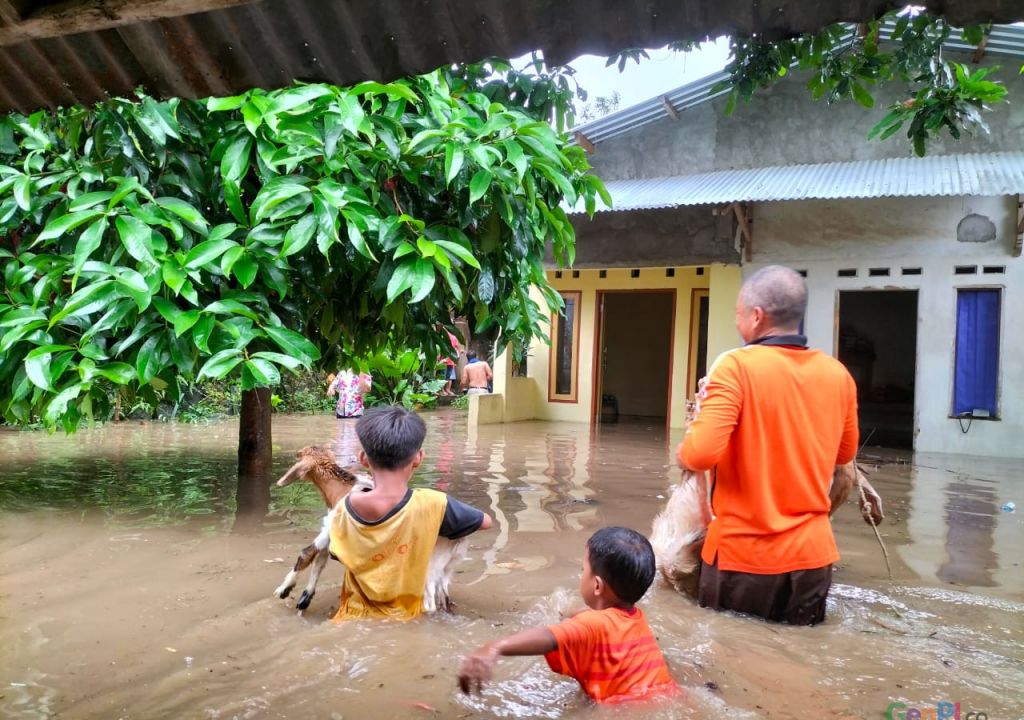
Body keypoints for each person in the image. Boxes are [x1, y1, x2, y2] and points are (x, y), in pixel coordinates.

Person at [677, 265, 859, 626]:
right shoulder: (838, 375)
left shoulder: (734, 367)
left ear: (757, 316)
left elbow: (699, 455)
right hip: (812, 562)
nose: (737, 323)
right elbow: (844, 456)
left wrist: (692, 429)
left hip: (743, 560)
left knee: (727, 670)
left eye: (738, 314)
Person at [457, 527, 677, 704]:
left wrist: (496, 648)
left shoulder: (592, 624)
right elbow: (598, 624)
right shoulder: (637, 619)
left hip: (619, 711)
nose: (582, 576)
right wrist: (573, 613)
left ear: (597, 585)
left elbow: (550, 637)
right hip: (663, 700)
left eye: (584, 570)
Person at [329, 406, 493, 621]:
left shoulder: (345, 506)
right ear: (418, 458)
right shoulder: (433, 504)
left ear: (363, 458)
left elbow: (336, 552)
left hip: (350, 617)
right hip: (408, 618)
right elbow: (485, 522)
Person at [441, 330, 461, 396]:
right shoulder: (442, 337)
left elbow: (456, 348)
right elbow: (457, 349)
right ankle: (443, 390)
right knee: (444, 376)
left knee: (447, 376)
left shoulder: (452, 337)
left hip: (450, 360)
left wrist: (456, 357)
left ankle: (447, 390)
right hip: (444, 360)